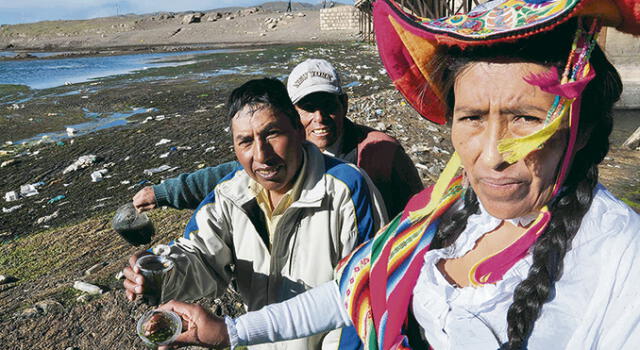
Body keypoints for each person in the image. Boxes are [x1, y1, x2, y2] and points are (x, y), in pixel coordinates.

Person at [152, 0, 640, 349]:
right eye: (471, 117)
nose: (491, 156)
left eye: (527, 119)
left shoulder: (621, 262)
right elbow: (348, 291)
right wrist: (231, 332)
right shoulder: (441, 211)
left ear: (579, 123)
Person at [123, 78, 387, 350]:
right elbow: (200, 256)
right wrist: (160, 273)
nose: (262, 155)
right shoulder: (230, 194)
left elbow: (365, 299)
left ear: (298, 129)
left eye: (272, 133)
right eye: (246, 141)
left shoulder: (346, 190)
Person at [132, 58, 423, 219]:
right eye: (308, 108)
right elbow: (225, 175)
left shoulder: (380, 152)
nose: (319, 118)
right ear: (292, 114)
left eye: (328, 106)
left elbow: (418, 212)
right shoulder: (288, 150)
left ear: (344, 105)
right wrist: (161, 193)